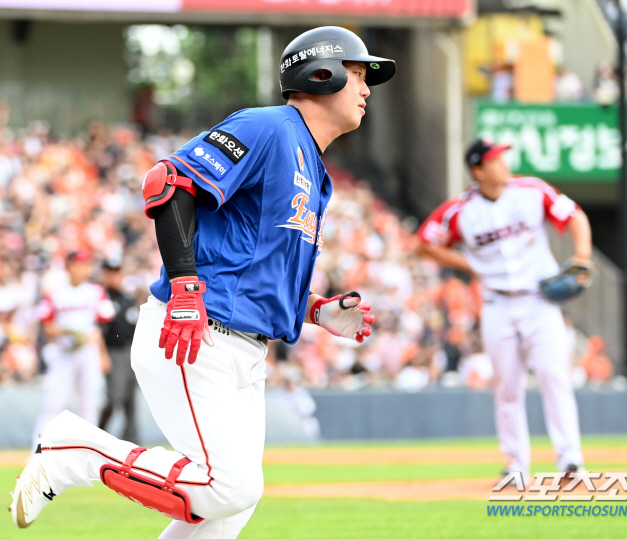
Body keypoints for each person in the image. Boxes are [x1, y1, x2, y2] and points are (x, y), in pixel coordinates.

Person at [11, 26, 392, 538]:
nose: (367, 89)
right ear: (320, 74)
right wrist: (186, 289)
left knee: (229, 508)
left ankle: (76, 451)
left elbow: (252, 268)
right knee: (230, 487)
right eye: (359, 74)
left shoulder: (312, 166)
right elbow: (167, 184)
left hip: (243, 346)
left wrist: (316, 310)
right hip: (195, 332)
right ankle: (72, 450)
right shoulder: (270, 128)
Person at [415, 139, 592, 485]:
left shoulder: (530, 190)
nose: (504, 163)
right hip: (496, 303)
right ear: (478, 170)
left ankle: (570, 459)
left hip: (540, 301)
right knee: (507, 386)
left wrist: (582, 255)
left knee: (554, 377)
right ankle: (516, 464)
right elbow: (424, 242)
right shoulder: (460, 210)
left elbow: (575, 215)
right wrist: (466, 263)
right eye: (496, 160)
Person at [32, 250, 115, 442]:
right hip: (63, 353)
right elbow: (47, 326)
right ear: (69, 266)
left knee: (89, 408)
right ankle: (37, 453)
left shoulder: (96, 291)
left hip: (88, 352)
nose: (83, 269)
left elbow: (104, 324)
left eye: (86, 265)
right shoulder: (55, 293)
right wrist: (69, 332)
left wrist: (102, 354)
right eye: (79, 264)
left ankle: (89, 456)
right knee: (52, 406)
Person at [98, 258, 140, 444]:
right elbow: (99, 330)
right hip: (112, 352)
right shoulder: (101, 298)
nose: (114, 276)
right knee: (114, 398)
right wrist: (102, 355)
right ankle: (98, 435)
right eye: (110, 272)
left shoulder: (128, 299)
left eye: (117, 271)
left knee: (131, 401)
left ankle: (132, 443)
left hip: (131, 351)